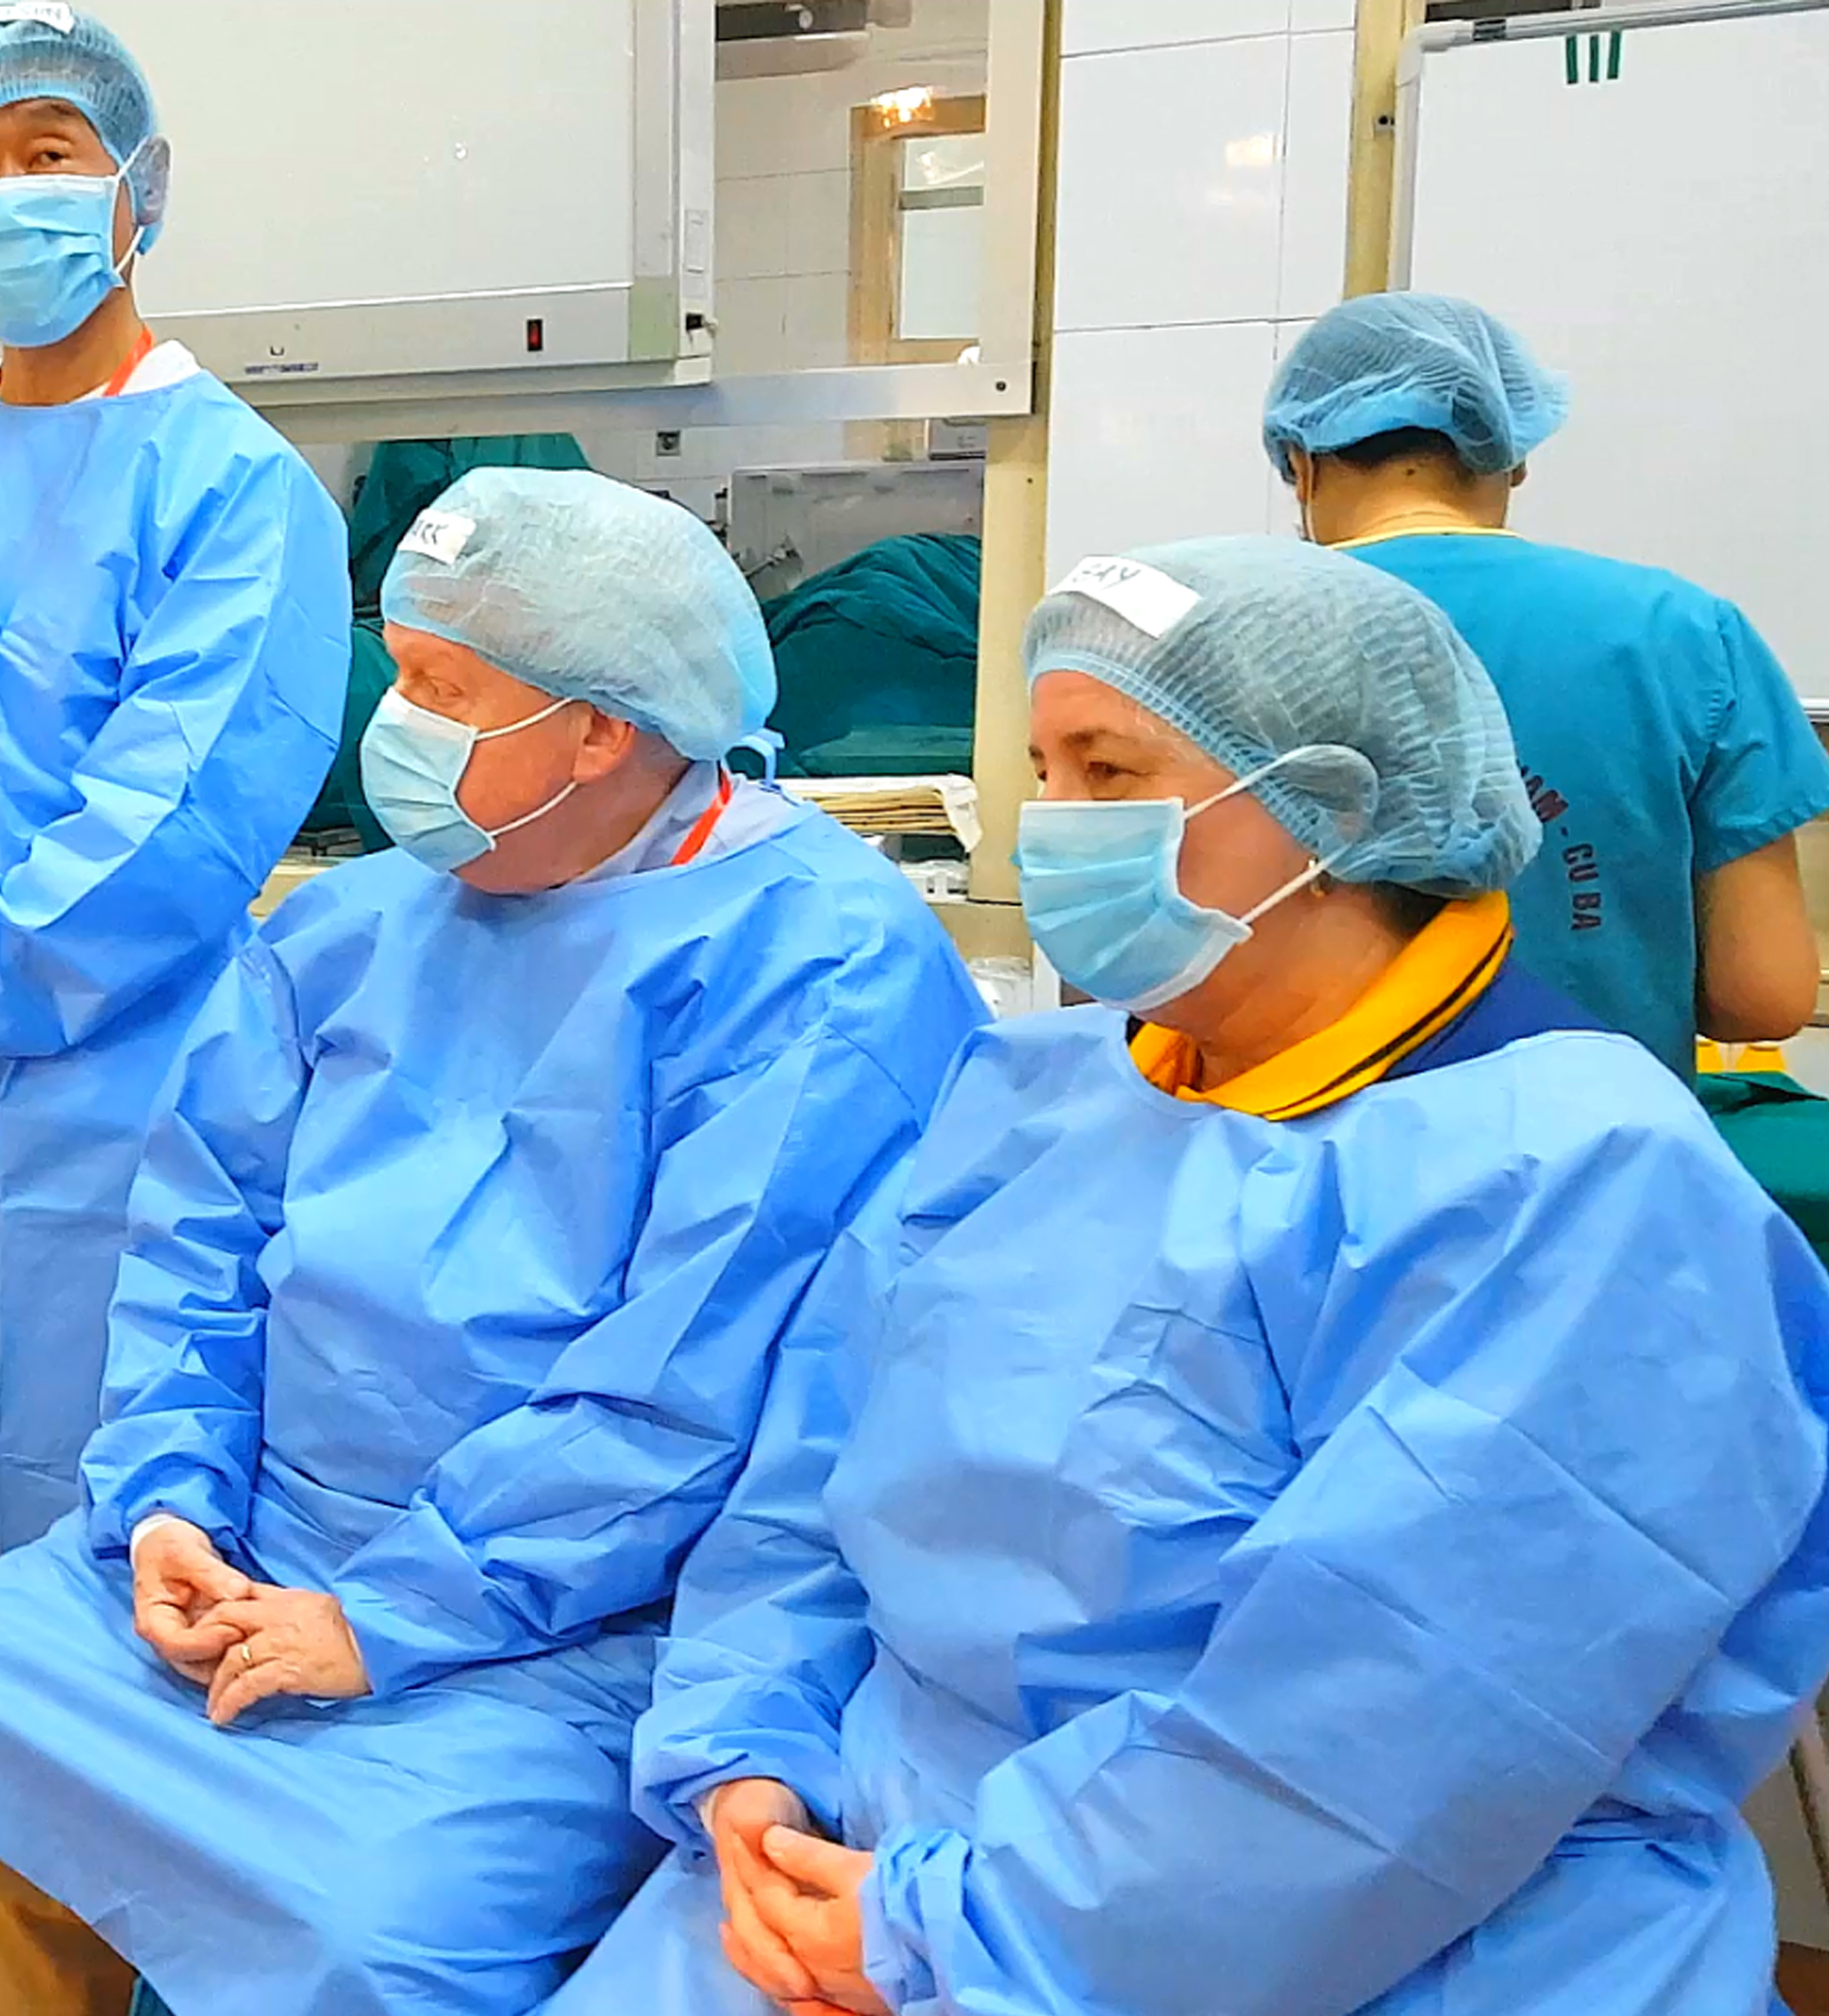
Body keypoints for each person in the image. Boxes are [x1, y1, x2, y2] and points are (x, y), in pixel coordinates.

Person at [551, 537, 1829, 2016]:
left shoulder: (1574, 1186)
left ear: (1329, 808)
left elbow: (1390, 1731)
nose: (1051, 825)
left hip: (1344, 1922)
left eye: (1109, 771)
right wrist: (748, 1748)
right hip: (873, 1836)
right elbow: (815, 1476)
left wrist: (956, 1928)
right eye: (1043, 770)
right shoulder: (1036, 1091)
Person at [0, 468, 991, 2016]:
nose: (393, 724)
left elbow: (691, 1394)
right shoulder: (353, 924)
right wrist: (170, 1503)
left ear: (601, 730)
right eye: (396, 671)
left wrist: (385, 1619)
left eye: (443, 690)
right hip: (254, 1533)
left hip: (578, 1619)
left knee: (365, 1932)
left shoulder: (821, 966)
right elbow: (197, 1244)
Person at [0, 4, 350, 1664]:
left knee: (125, 1538)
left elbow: (176, 817)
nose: (4, 193)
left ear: (135, 190)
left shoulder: (235, 486)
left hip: (131, 1101)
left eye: (48, 153)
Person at [1267, 292, 1829, 1076]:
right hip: (1599, 1137)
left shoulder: (1220, 629)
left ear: (1301, 466)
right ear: (1514, 452)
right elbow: (1761, 997)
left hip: (1293, 1135)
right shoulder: (1686, 630)